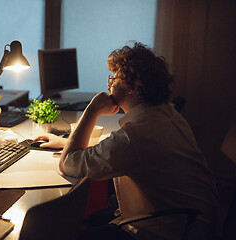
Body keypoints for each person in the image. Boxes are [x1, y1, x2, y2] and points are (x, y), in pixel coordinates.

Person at [34, 42, 219, 239]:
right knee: (95, 219)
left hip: (171, 230)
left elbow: (68, 163)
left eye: (114, 78)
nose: (109, 84)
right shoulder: (166, 114)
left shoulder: (137, 134)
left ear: (135, 87)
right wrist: (65, 142)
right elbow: (115, 146)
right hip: (195, 221)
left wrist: (91, 111)